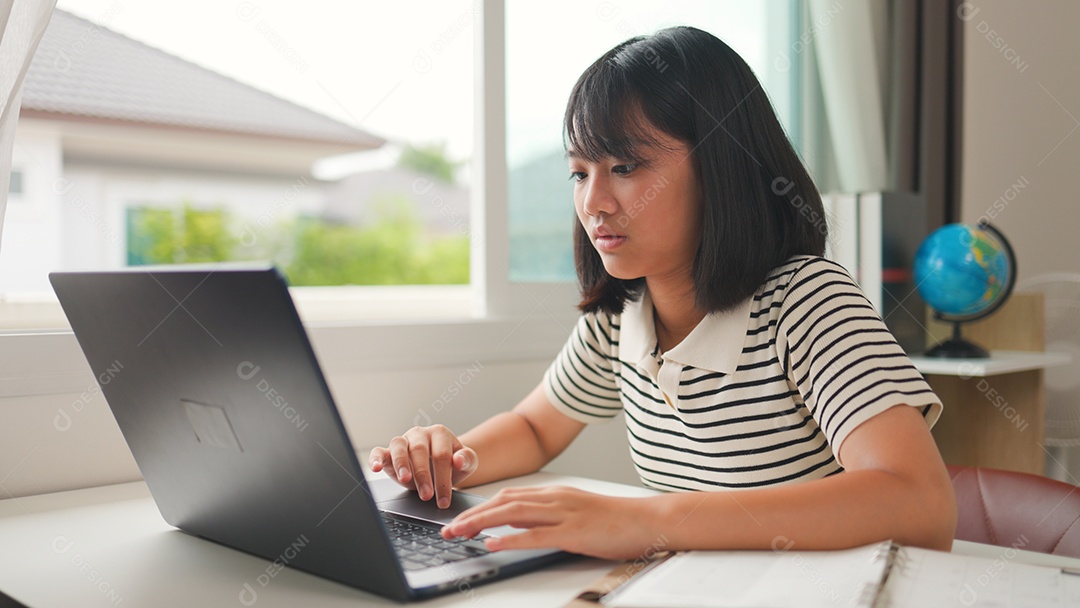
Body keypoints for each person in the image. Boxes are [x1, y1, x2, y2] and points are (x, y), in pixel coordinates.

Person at [370, 26, 956, 560]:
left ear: (722, 168)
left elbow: (919, 504)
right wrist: (448, 462)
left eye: (625, 167)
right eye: (580, 172)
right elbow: (536, 428)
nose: (593, 202)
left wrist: (645, 520)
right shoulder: (621, 313)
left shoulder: (805, 301)